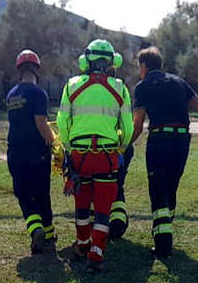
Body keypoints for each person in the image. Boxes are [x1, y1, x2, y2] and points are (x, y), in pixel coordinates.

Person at [130, 46, 198, 259]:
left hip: (160, 140)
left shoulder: (143, 86)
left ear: (144, 66)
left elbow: (137, 126)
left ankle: (164, 247)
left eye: (139, 66)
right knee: (171, 187)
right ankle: (166, 228)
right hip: (182, 140)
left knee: (158, 192)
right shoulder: (178, 82)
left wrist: (124, 146)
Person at [56, 39, 133, 273]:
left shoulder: (71, 85)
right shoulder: (120, 88)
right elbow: (127, 129)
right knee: (102, 206)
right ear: (112, 62)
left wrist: (70, 148)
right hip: (108, 155)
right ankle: (97, 252)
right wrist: (119, 146)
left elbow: (61, 122)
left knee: (82, 201)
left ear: (85, 61)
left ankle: (82, 244)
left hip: (80, 154)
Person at [5, 49, 56, 254]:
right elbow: (40, 123)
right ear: (37, 69)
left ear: (19, 70)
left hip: (15, 152)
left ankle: (35, 228)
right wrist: (54, 143)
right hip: (37, 152)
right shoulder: (38, 94)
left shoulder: (10, 95)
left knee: (24, 193)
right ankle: (48, 232)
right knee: (41, 192)